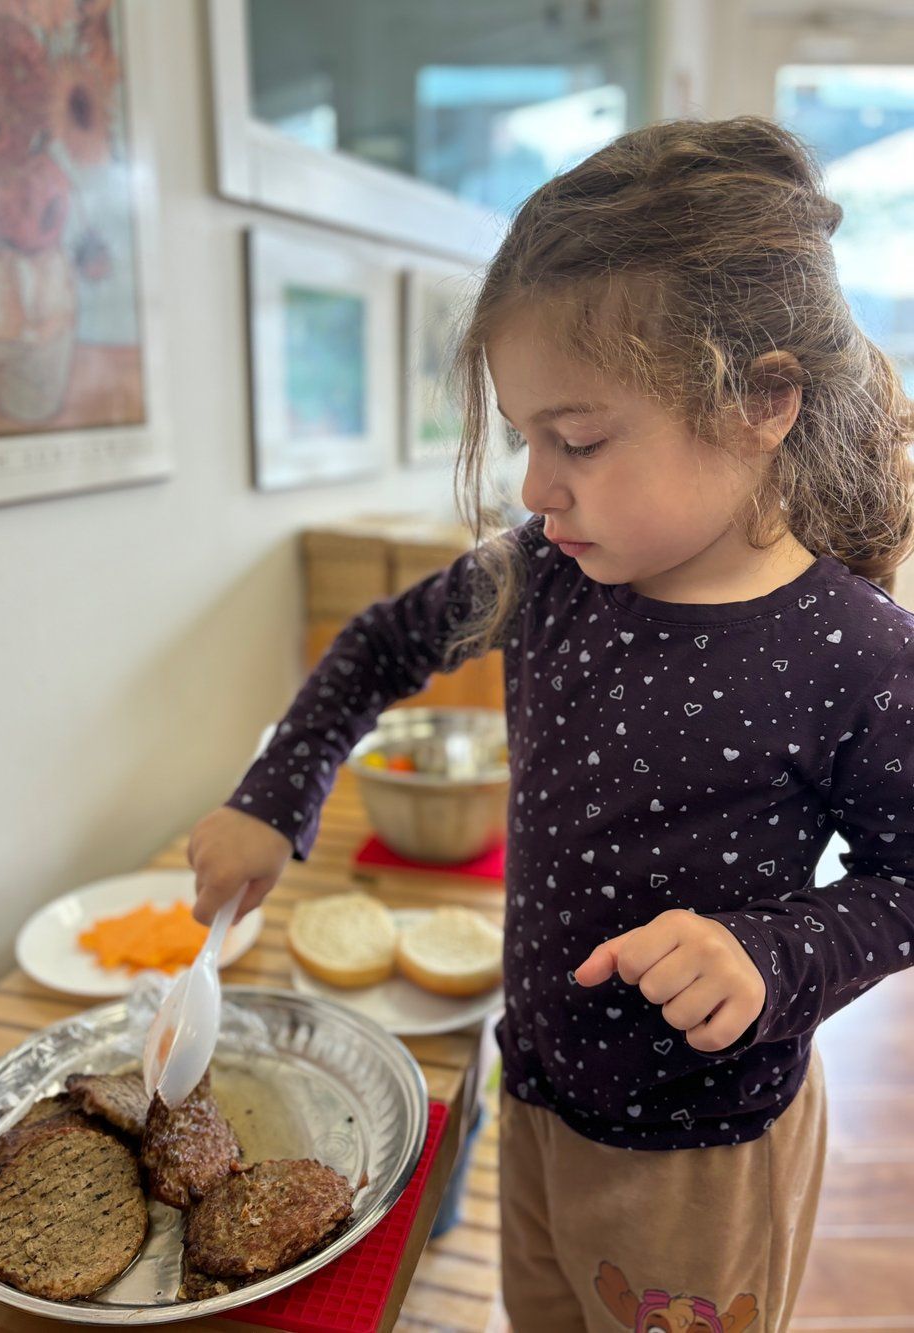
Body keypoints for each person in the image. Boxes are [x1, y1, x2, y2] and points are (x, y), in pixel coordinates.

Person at [187, 117, 914, 1332]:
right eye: (525, 436)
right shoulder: (548, 572)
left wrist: (772, 953)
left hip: (701, 1157)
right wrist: (275, 794)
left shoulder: (852, 650)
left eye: (575, 439)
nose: (535, 485)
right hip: (531, 1091)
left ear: (763, 402)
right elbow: (378, 644)